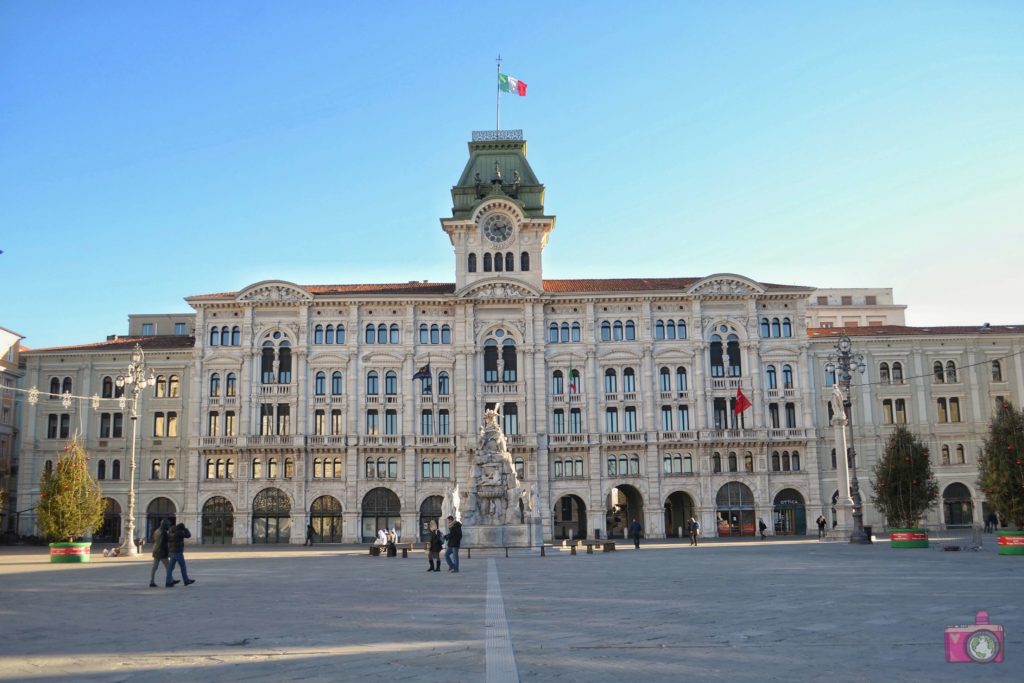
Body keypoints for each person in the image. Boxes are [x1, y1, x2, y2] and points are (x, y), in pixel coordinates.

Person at [165, 522, 195, 587]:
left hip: (171, 552)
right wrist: (186, 529)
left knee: (170, 568)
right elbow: (188, 535)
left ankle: (168, 582)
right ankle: (186, 580)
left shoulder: (170, 532)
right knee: (183, 566)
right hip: (178, 552)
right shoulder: (179, 532)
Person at [149, 518, 176, 588]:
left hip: (156, 551)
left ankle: (152, 581)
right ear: (165, 525)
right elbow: (166, 542)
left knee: (154, 567)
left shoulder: (157, 531)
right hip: (162, 552)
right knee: (169, 567)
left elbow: (154, 540)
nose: (168, 526)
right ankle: (170, 581)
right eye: (168, 525)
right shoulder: (164, 532)